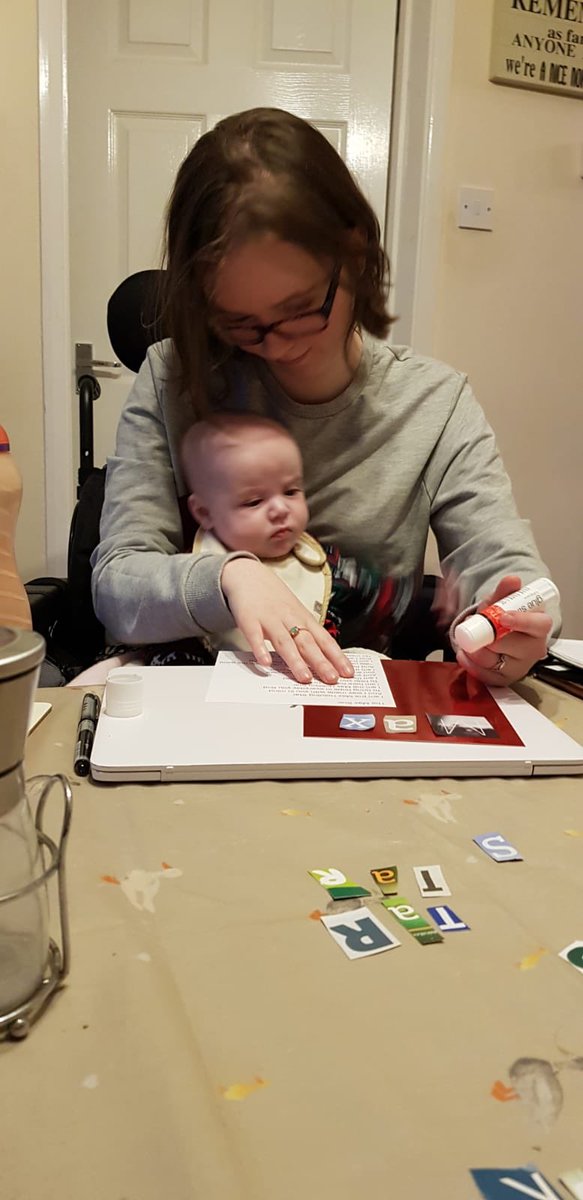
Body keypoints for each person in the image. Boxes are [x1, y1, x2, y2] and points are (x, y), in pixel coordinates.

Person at [91, 106, 557, 687]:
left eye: (301, 309)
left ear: (354, 254)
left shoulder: (436, 404)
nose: (277, 345)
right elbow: (118, 584)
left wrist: (512, 627)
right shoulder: (171, 378)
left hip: (355, 706)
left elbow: (506, 565)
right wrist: (230, 576)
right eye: (239, 323)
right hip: (200, 695)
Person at [180, 411, 415, 654]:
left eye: (291, 492)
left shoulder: (328, 565)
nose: (280, 509)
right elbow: (168, 641)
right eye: (254, 502)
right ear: (204, 513)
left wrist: (423, 598)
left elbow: (384, 594)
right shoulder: (189, 575)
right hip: (221, 676)